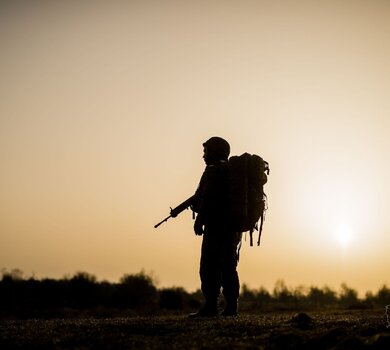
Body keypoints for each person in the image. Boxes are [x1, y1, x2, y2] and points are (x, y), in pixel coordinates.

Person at [189, 137, 242, 318]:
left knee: (209, 267)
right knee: (229, 267)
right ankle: (231, 308)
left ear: (216, 151)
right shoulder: (230, 171)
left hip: (216, 227)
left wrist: (199, 220)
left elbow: (209, 198)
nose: (204, 155)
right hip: (233, 228)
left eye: (206, 151)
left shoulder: (213, 170)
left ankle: (211, 307)